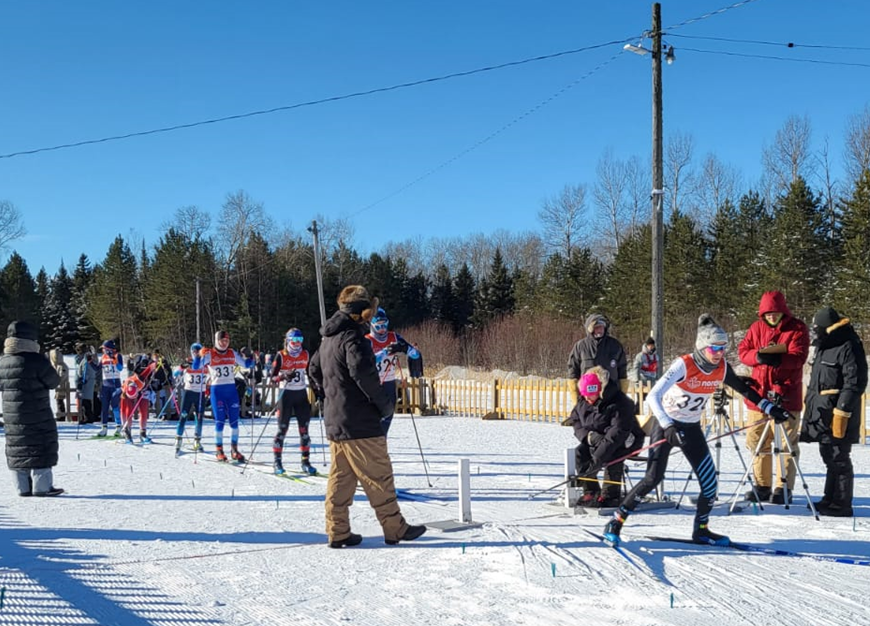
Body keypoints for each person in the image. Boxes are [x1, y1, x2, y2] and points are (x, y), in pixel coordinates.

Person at [602, 314, 793, 547]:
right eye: (715, 348)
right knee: (652, 478)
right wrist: (667, 425)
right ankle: (616, 521)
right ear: (702, 347)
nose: (720, 353)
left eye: (724, 348)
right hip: (666, 426)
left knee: (710, 483)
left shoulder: (721, 368)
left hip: (691, 428)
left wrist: (770, 408)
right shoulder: (684, 364)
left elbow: (745, 389)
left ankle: (701, 530)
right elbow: (653, 395)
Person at [309, 285, 426, 548]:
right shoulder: (353, 338)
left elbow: (313, 368)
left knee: (341, 478)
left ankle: (337, 530)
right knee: (379, 474)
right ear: (361, 313)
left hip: (337, 420)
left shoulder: (328, 338)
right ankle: (394, 527)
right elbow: (364, 375)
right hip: (360, 421)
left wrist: (329, 394)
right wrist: (385, 405)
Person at [738, 290, 810, 504]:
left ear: (782, 311)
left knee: (786, 443)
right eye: (768, 313)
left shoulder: (797, 328)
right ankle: (762, 485)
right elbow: (743, 351)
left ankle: (783, 487)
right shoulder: (755, 328)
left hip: (786, 394)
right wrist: (757, 356)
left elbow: (799, 357)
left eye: (775, 313)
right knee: (757, 441)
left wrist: (779, 359)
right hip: (758, 396)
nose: (771, 316)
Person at [800, 307, 868, 517]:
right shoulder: (825, 344)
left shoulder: (848, 344)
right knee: (828, 454)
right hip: (822, 410)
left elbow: (854, 382)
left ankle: (842, 503)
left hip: (838, 413)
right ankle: (829, 498)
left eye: (817, 328)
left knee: (839, 456)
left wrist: (842, 411)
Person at [0, 321, 64, 497]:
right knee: (40, 445)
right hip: (38, 413)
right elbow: (53, 382)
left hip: (13, 417)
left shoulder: (3, 361)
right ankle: (42, 487)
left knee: (17, 446)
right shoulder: (36, 360)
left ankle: (22, 487)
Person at [567, 366, 641, 508]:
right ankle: (591, 491)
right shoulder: (584, 401)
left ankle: (610, 495)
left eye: (590, 394)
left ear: (600, 390)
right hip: (598, 439)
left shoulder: (620, 403)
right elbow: (575, 420)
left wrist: (597, 459)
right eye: (584, 395)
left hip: (626, 440)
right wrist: (588, 437)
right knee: (580, 452)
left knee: (613, 455)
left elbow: (617, 434)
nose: (587, 398)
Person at [193, 331, 254, 463]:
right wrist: (198, 356)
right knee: (220, 421)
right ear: (217, 340)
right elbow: (196, 366)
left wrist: (250, 356)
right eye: (222, 340)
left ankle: (234, 450)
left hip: (231, 391)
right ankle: (219, 450)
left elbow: (247, 365)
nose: (224, 343)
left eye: (227, 340)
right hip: (217, 391)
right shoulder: (210, 353)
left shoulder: (232, 353)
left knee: (234, 422)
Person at [365, 307, 422, 435]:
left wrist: (403, 348)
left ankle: (381, 440)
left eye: (384, 325)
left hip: (389, 382)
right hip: (372, 383)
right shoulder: (367, 340)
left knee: (388, 413)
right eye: (378, 326)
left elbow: (415, 354)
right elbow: (366, 361)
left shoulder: (394, 337)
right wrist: (384, 352)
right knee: (373, 416)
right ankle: (373, 441)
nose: (382, 329)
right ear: (372, 325)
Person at [270, 328, 317, 475]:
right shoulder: (281, 355)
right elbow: (272, 378)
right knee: (282, 429)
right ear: (288, 341)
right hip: (286, 396)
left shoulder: (305, 354)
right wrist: (283, 376)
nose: (297, 344)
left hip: (301, 396)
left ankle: (305, 462)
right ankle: (277, 462)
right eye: (294, 341)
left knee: (304, 431)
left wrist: (317, 390)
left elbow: (311, 374)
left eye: (300, 340)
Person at [568, 314, 629, 405]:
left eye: (602, 327)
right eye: (597, 327)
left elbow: (622, 370)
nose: (600, 330)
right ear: (590, 329)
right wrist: (575, 395)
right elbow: (573, 370)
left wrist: (622, 393)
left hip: (611, 396)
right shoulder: (581, 346)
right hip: (587, 397)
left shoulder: (615, 345)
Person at [175, 343, 207, 453]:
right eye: (193, 351)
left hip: (200, 394)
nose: (195, 353)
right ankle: (178, 438)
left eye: (197, 351)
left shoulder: (204, 362)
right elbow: (175, 373)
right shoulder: (188, 362)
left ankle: (197, 440)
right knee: (183, 415)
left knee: (199, 418)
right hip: (189, 392)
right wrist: (181, 367)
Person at [119, 355, 158, 443]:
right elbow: (122, 411)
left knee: (144, 410)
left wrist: (155, 363)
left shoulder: (140, 381)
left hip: (142, 388)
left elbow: (149, 368)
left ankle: (142, 433)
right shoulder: (124, 391)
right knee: (128, 411)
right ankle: (127, 431)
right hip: (128, 392)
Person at [96, 340, 124, 437]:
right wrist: (90, 361)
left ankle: (118, 427)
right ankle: (104, 428)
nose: (103, 350)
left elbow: (120, 368)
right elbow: (97, 369)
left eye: (104, 349)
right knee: (104, 407)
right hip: (105, 385)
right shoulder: (103, 357)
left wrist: (113, 359)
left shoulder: (117, 356)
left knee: (115, 405)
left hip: (115, 384)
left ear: (109, 349)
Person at [75, 347, 100, 423]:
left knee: (85, 401)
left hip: (86, 382)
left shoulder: (87, 361)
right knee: (86, 401)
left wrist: (83, 380)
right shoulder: (90, 360)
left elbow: (85, 371)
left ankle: (88, 417)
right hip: (88, 382)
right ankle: (88, 417)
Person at [49, 348, 70, 420]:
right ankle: (60, 414)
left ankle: (61, 415)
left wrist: (56, 381)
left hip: (62, 385)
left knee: (60, 400)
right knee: (58, 400)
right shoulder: (58, 366)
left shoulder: (61, 366)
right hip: (60, 385)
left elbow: (62, 376)